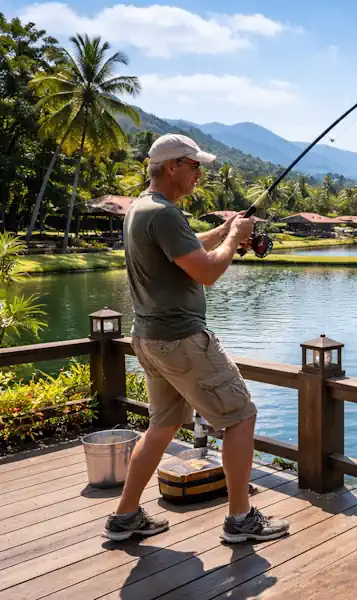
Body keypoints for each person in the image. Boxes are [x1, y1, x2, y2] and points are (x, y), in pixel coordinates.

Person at [104, 133, 289, 544]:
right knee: (241, 416)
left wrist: (225, 231)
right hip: (182, 338)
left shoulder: (142, 209)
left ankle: (125, 516)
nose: (199, 174)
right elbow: (206, 271)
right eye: (195, 166)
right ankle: (241, 520)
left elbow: (188, 251)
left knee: (163, 425)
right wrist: (233, 238)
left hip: (149, 337)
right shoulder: (164, 214)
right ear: (173, 167)